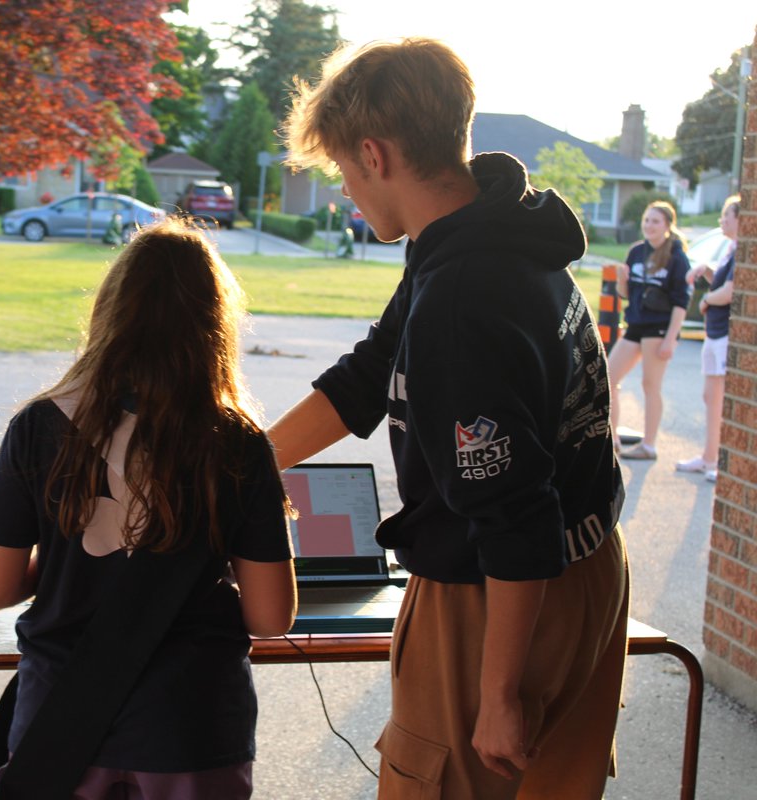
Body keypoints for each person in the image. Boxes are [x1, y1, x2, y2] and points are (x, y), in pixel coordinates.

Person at [272, 38, 629, 799]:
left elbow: (514, 517)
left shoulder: (463, 300)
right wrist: (246, 458)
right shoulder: (495, 227)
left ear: (374, 153)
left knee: (441, 776)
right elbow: (373, 371)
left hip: (500, 596)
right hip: (590, 560)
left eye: (341, 169)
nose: (345, 189)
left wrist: (497, 695)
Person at [0, 217, 296, 799]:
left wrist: (72, 562)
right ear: (213, 326)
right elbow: (271, 619)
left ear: (109, 313)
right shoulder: (238, 442)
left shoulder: (39, 426)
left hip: (62, 722)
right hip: (191, 726)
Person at [608, 201, 692, 459]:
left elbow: (681, 302)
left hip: (659, 328)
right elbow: (625, 294)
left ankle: (649, 445)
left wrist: (670, 339)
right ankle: (612, 440)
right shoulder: (636, 252)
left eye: (655, 221)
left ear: (667, 225)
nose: (649, 225)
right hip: (635, 324)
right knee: (608, 378)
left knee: (650, 385)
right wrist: (622, 280)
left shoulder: (676, 257)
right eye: (646, 220)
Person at [676, 195, 740, 482]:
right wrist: (709, 271)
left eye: (727, 215)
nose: (721, 220)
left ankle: (720, 461)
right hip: (714, 332)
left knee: (720, 398)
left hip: (725, 333)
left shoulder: (745, 252)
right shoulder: (731, 249)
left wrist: (705, 302)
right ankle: (708, 457)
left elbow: (729, 293)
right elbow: (724, 284)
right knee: (710, 396)